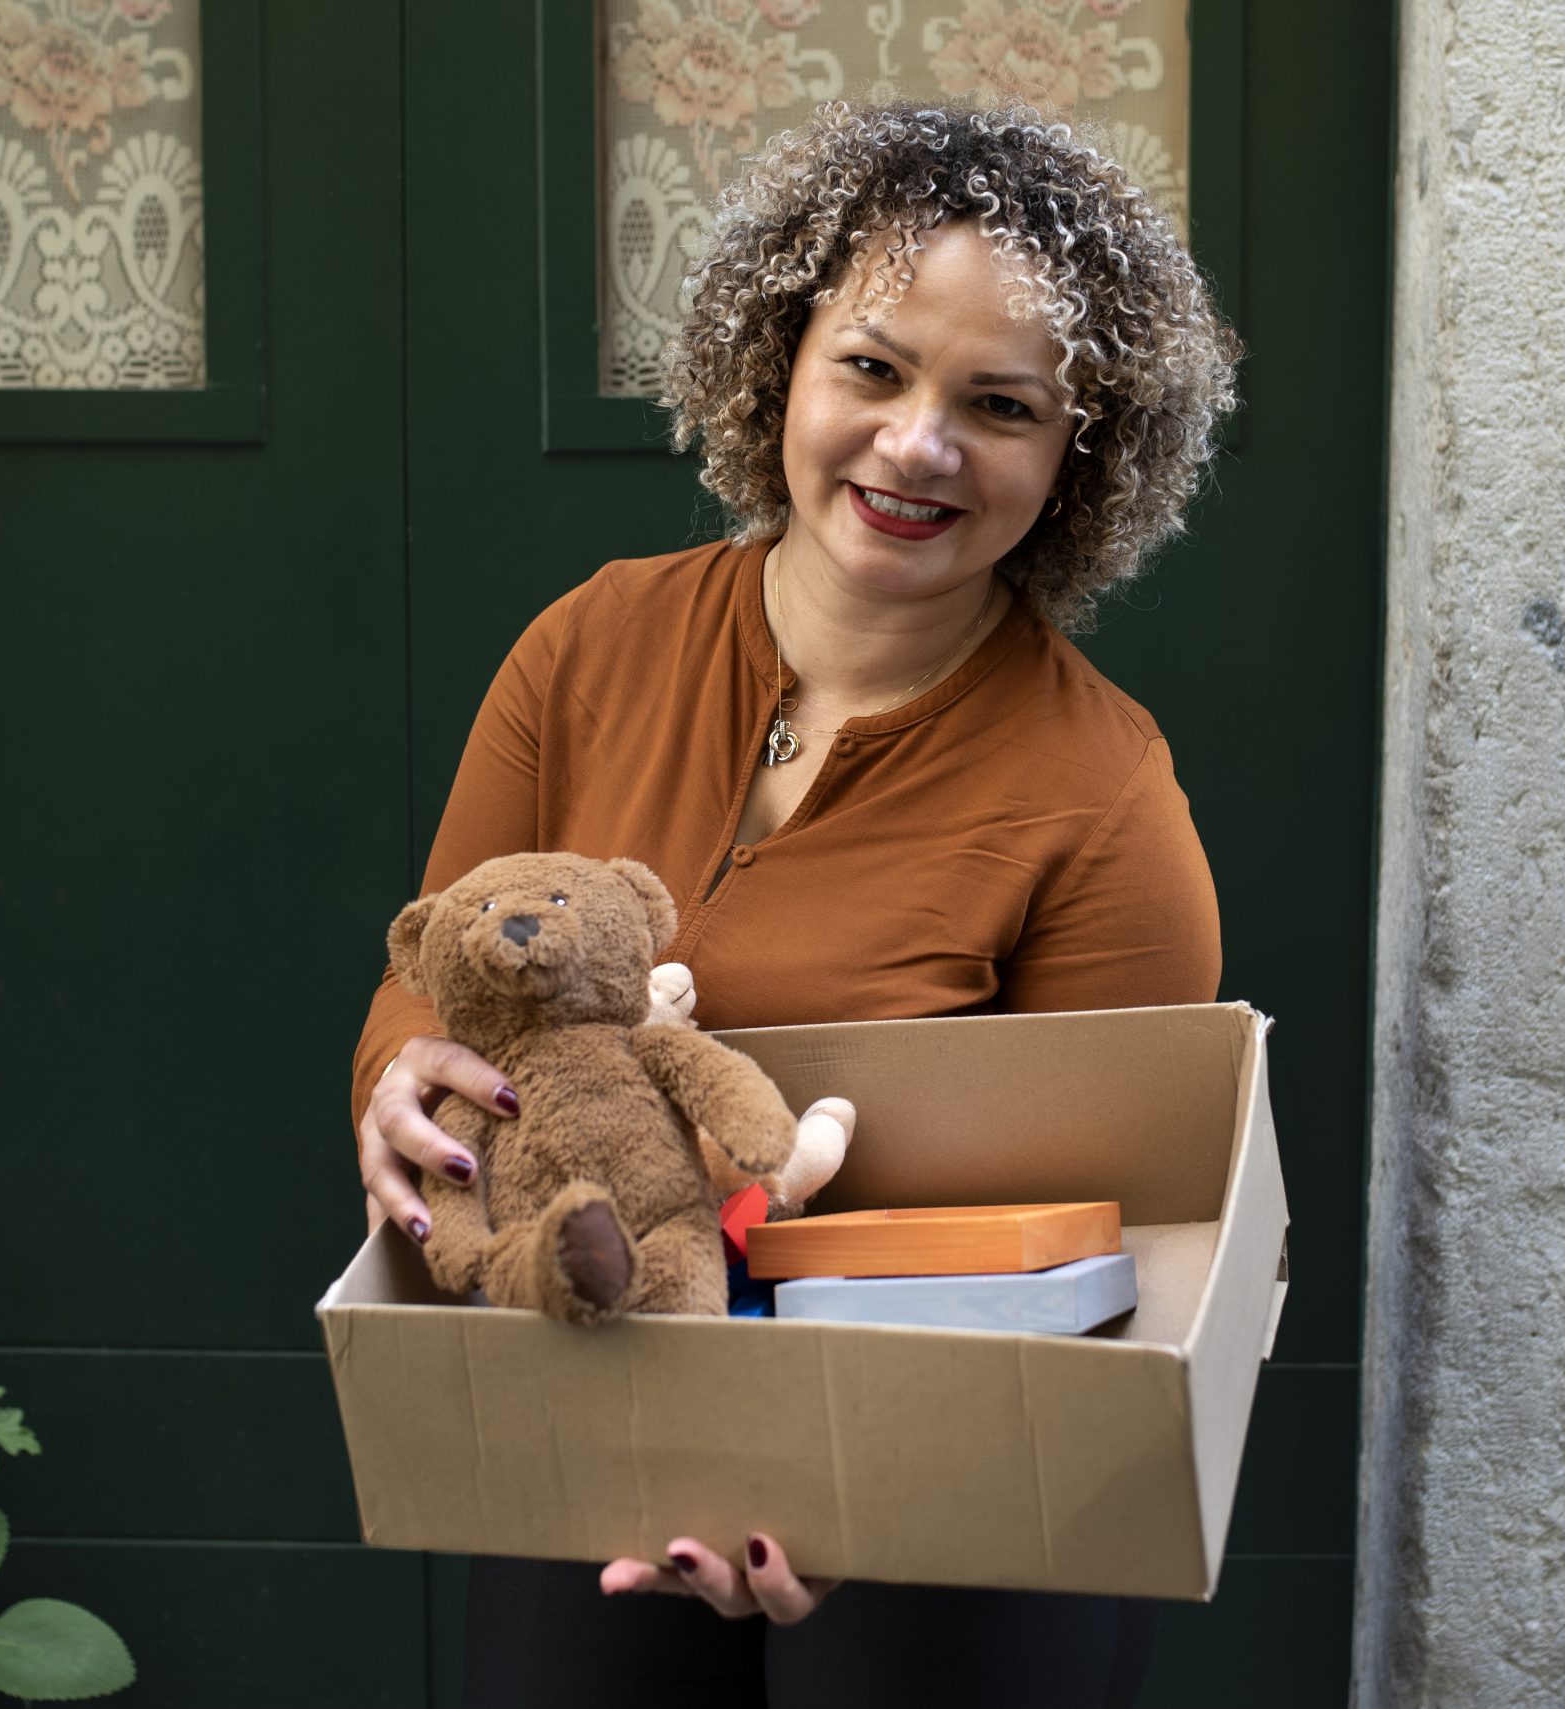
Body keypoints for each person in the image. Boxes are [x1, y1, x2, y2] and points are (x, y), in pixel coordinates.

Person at [350, 102, 1240, 1709]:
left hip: (958, 1532)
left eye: (1001, 405)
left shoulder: (1106, 793)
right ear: (782, 359)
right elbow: (430, 990)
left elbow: (1123, 1249)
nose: (919, 446)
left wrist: (863, 1473)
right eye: (875, 369)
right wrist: (402, 1094)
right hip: (581, 1430)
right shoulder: (587, 647)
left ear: (1080, 453)